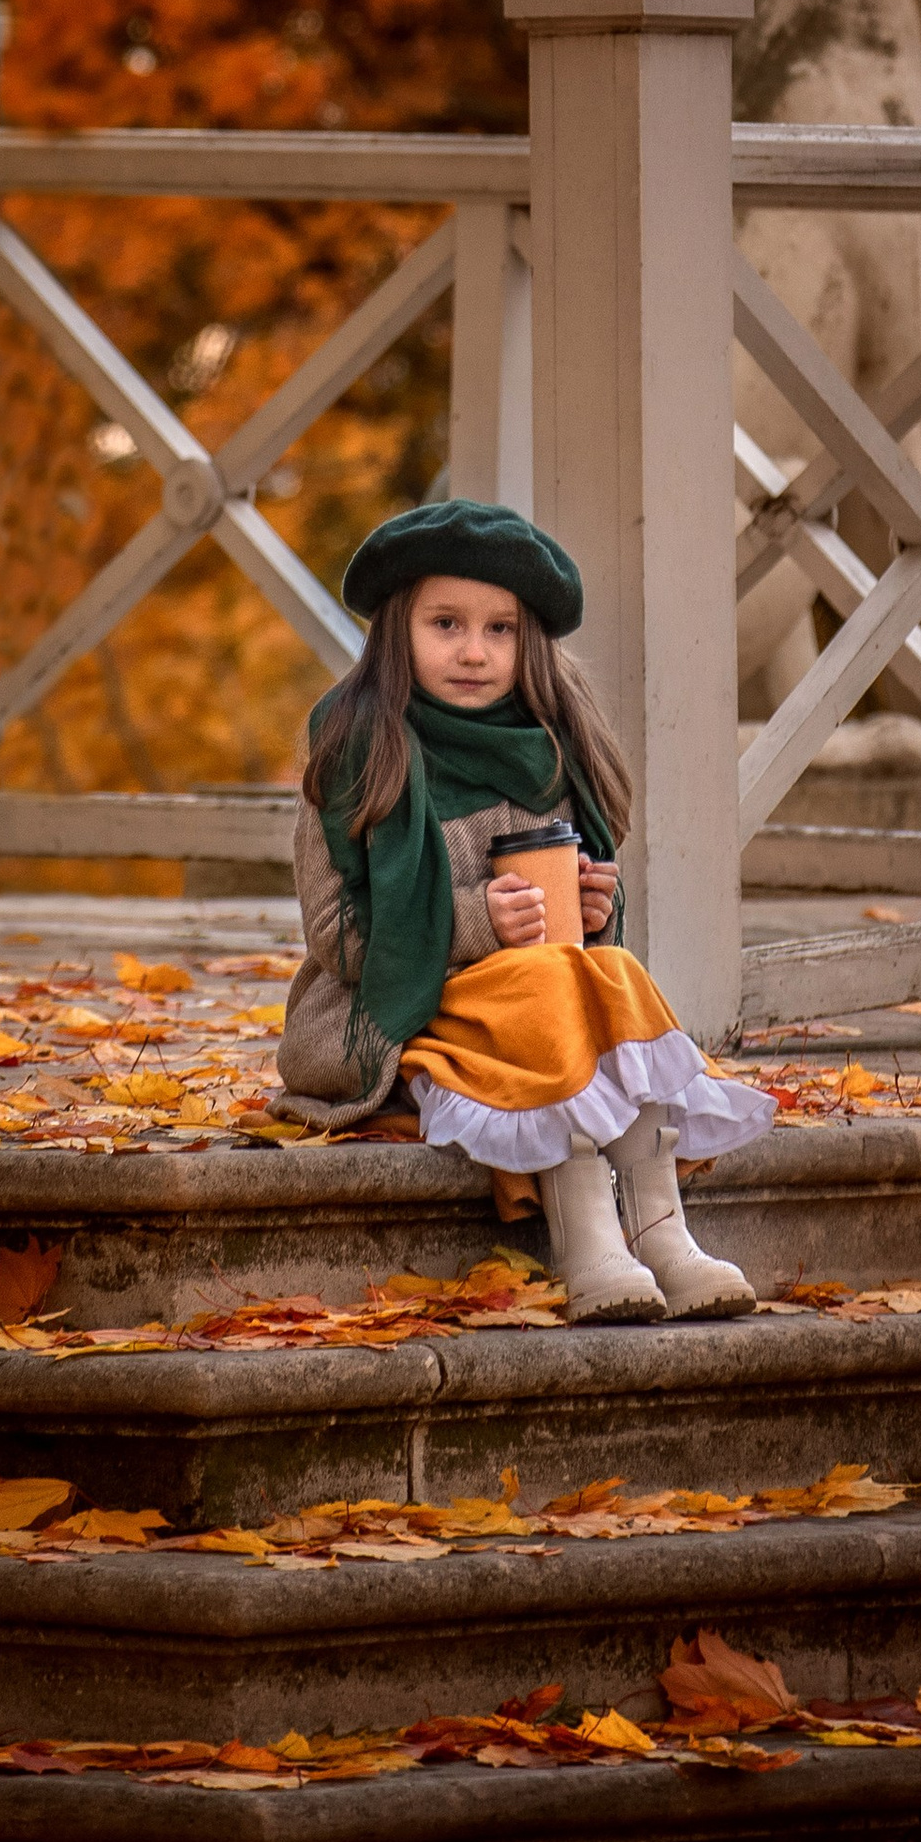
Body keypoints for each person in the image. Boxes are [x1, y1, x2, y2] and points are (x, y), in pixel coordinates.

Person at [275, 498, 775, 1321]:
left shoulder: (552, 747)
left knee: (606, 969)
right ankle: (588, 1242)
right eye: (446, 622)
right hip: (396, 1011)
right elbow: (335, 935)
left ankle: (660, 1230)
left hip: (529, 1000)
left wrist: (589, 908)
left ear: (527, 640)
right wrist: (477, 921)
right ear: (399, 627)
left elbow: (574, 948)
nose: (473, 651)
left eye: (499, 629)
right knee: (545, 996)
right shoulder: (360, 751)